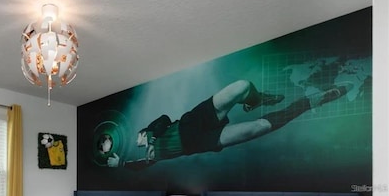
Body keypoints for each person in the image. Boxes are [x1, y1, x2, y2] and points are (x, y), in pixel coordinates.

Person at [107, 80, 349, 169]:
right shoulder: (146, 160)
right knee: (260, 127)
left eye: (138, 138)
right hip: (201, 143)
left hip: (190, 123)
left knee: (242, 86)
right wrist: (121, 164)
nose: (138, 142)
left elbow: (164, 120)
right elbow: (136, 166)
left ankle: (256, 99)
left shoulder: (150, 133)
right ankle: (311, 101)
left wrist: (149, 133)